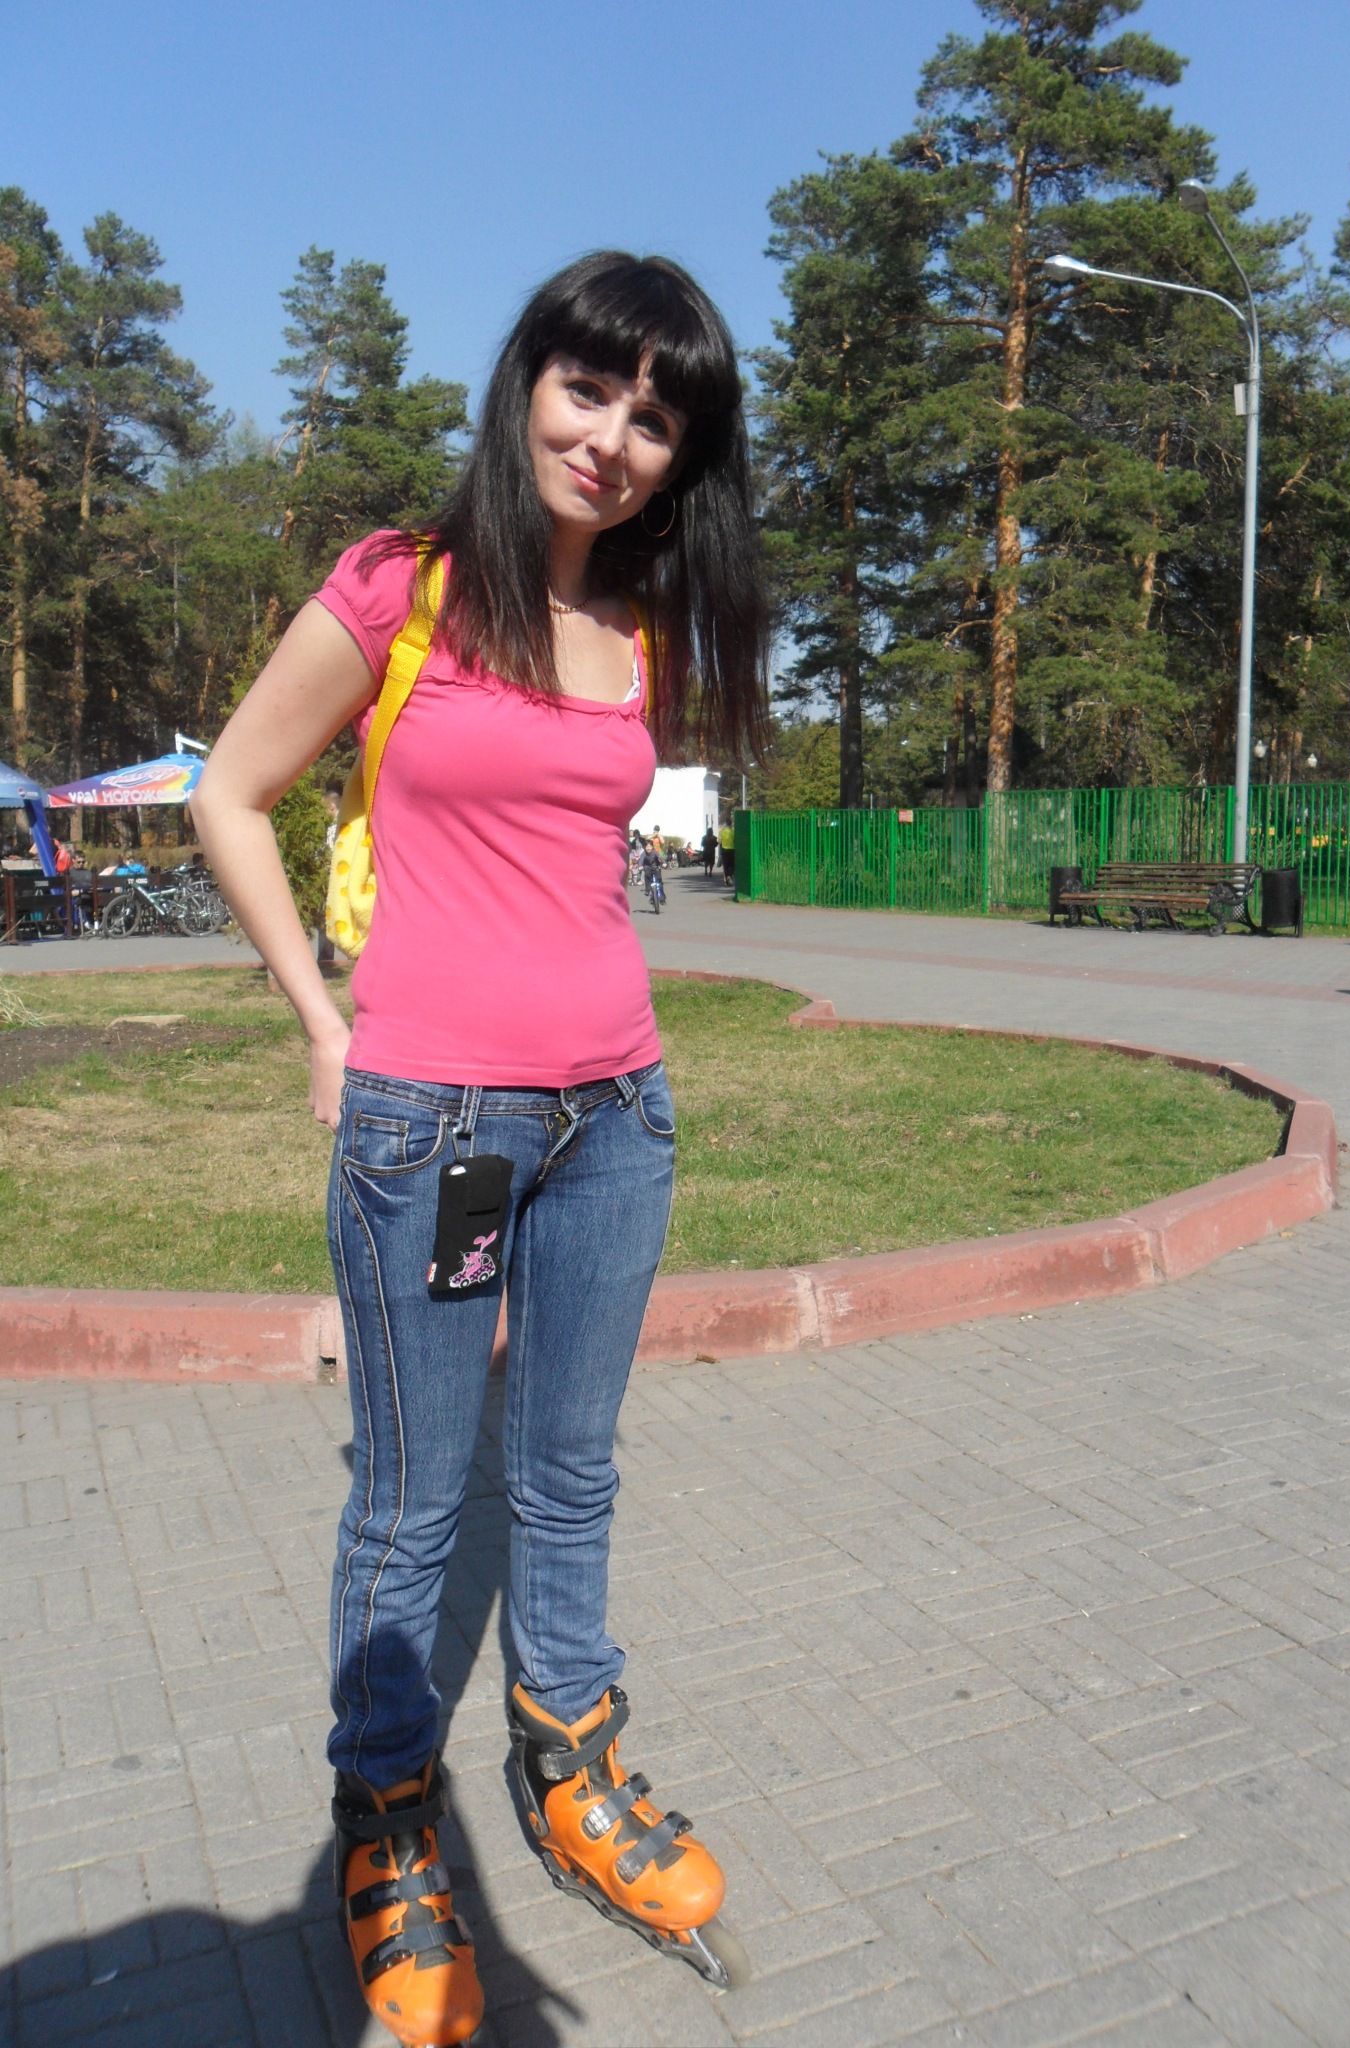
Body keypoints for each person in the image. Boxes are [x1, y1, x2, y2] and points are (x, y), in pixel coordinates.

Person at [193, 251, 766, 2046]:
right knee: (415, 1497)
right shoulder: (401, 585)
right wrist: (321, 1023)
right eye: (588, 389)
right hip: (430, 1125)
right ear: (527, 381)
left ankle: (568, 1753)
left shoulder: (636, 634)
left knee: (570, 1469)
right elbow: (231, 791)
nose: (610, 437)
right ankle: (384, 1809)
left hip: (618, 1118)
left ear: (680, 460)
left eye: (655, 418)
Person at [317, 783, 342, 967]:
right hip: (338, 877)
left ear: (332, 807)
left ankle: (325, 957)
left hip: (334, 877)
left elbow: (329, 853)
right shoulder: (343, 824)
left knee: (326, 918)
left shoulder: (335, 827)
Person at [718, 818, 735, 887]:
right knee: (732, 865)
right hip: (732, 850)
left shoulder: (722, 831)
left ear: (725, 823)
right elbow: (735, 840)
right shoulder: (733, 832)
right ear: (731, 824)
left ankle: (727, 877)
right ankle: (730, 876)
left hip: (724, 850)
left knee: (725, 865)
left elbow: (719, 841)